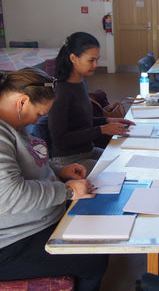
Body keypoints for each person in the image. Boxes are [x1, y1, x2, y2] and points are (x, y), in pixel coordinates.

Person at [0, 67, 109, 291]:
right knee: (94, 258)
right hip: (11, 245)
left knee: (101, 208)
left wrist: (59, 170)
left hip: (38, 220)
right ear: (22, 102)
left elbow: (29, 161)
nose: (37, 120)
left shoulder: (13, 124)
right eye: (39, 114)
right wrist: (68, 191)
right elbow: (10, 195)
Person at [49, 32, 134, 174]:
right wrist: (102, 130)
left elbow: (81, 122)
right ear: (73, 58)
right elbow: (60, 139)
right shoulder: (61, 92)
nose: (96, 64)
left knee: (126, 160)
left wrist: (107, 120)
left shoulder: (80, 81)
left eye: (97, 59)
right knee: (118, 172)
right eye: (91, 60)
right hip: (69, 160)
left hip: (88, 151)